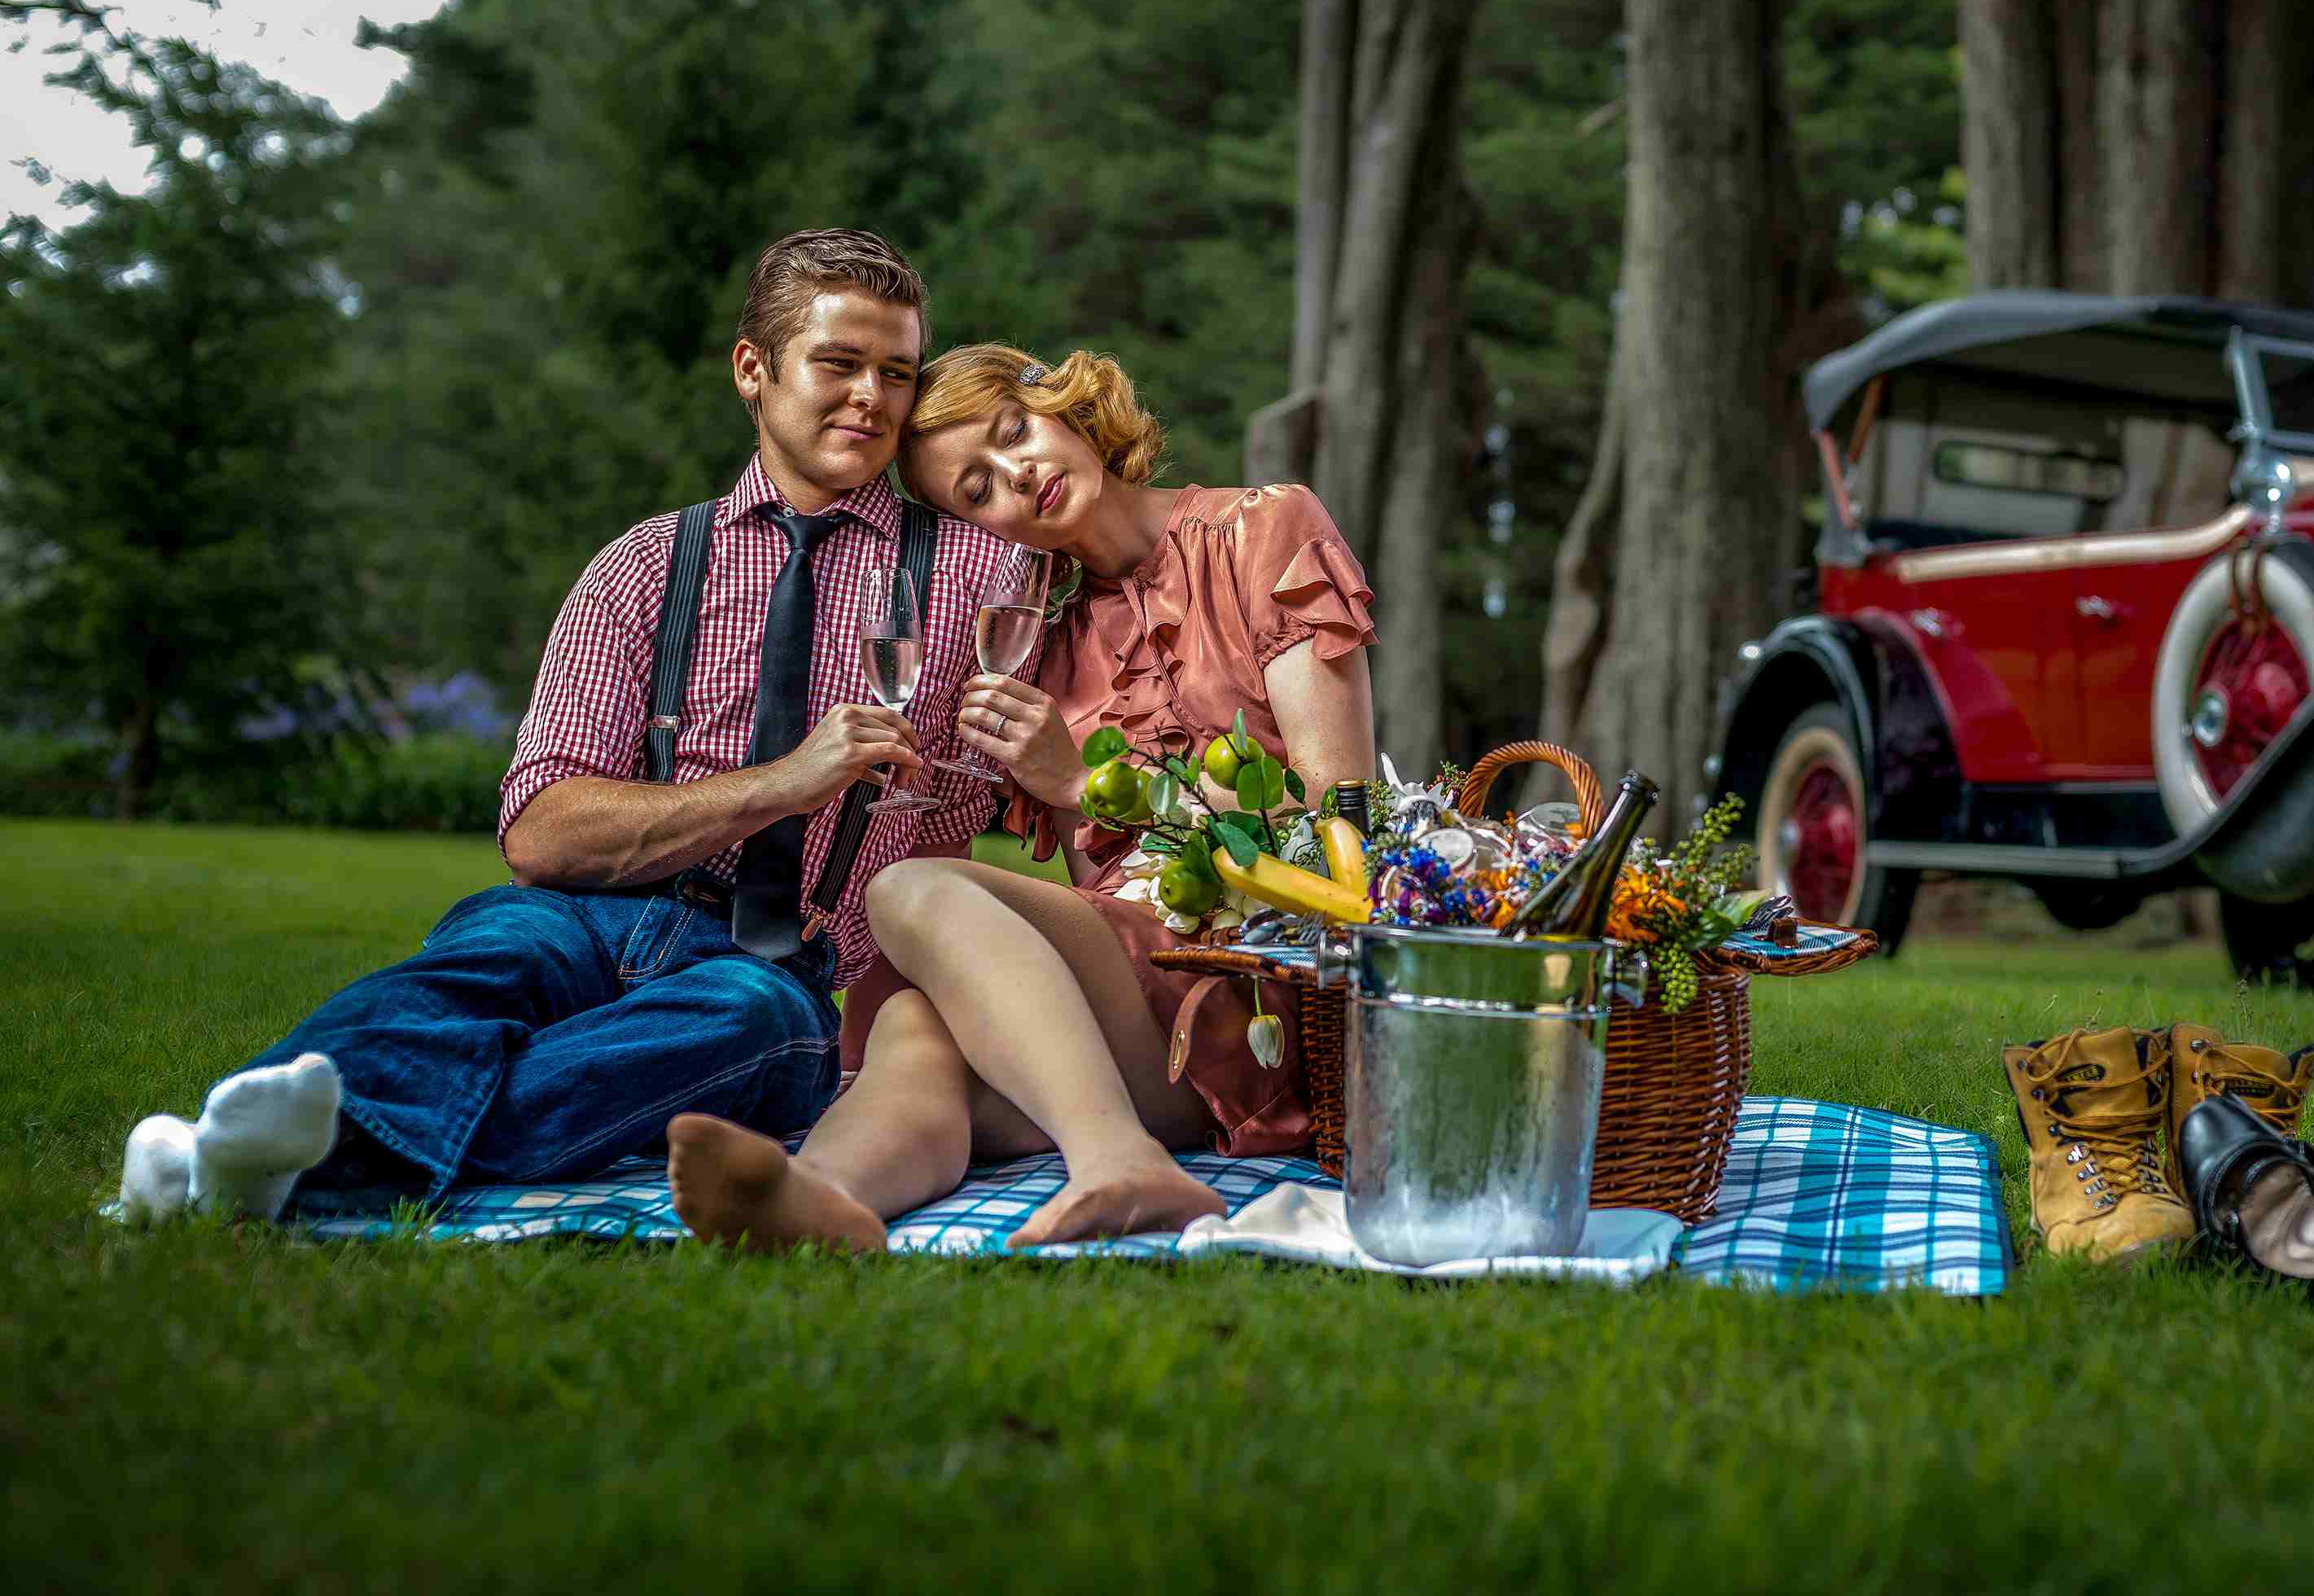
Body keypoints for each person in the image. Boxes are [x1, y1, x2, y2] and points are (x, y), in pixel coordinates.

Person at [116, 229, 1025, 1223]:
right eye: (839, 363)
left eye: (896, 371)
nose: (872, 396)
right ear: (753, 371)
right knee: (488, 959)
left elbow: (950, 849)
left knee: (744, 1018)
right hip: (584, 917)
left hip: (771, 965)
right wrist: (783, 781)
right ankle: (247, 1148)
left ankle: (255, 1162)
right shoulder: (643, 567)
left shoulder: (975, 579)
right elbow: (542, 834)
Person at [664, 343, 1376, 1251]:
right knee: (919, 1025)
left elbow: (1343, 825)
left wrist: (1083, 781)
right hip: (1149, 1011)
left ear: (1064, 408)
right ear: (984, 533)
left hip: (1280, 988)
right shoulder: (1047, 646)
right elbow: (1109, 892)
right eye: (978, 490)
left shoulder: (1260, 529)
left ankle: (1120, 1158)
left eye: (1013, 434)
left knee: (907, 889)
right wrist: (1052, 795)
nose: (1018, 475)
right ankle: (822, 1200)